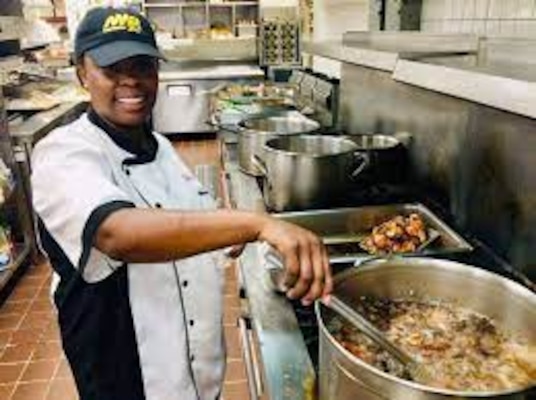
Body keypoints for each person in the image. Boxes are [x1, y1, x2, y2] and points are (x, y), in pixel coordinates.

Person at [31, 6, 332, 400]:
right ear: (81, 73)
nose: (131, 81)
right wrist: (257, 225)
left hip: (195, 374)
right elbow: (116, 233)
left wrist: (245, 233)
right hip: (126, 380)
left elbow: (198, 224)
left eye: (142, 65)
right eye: (111, 68)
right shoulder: (63, 152)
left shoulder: (162, 149)